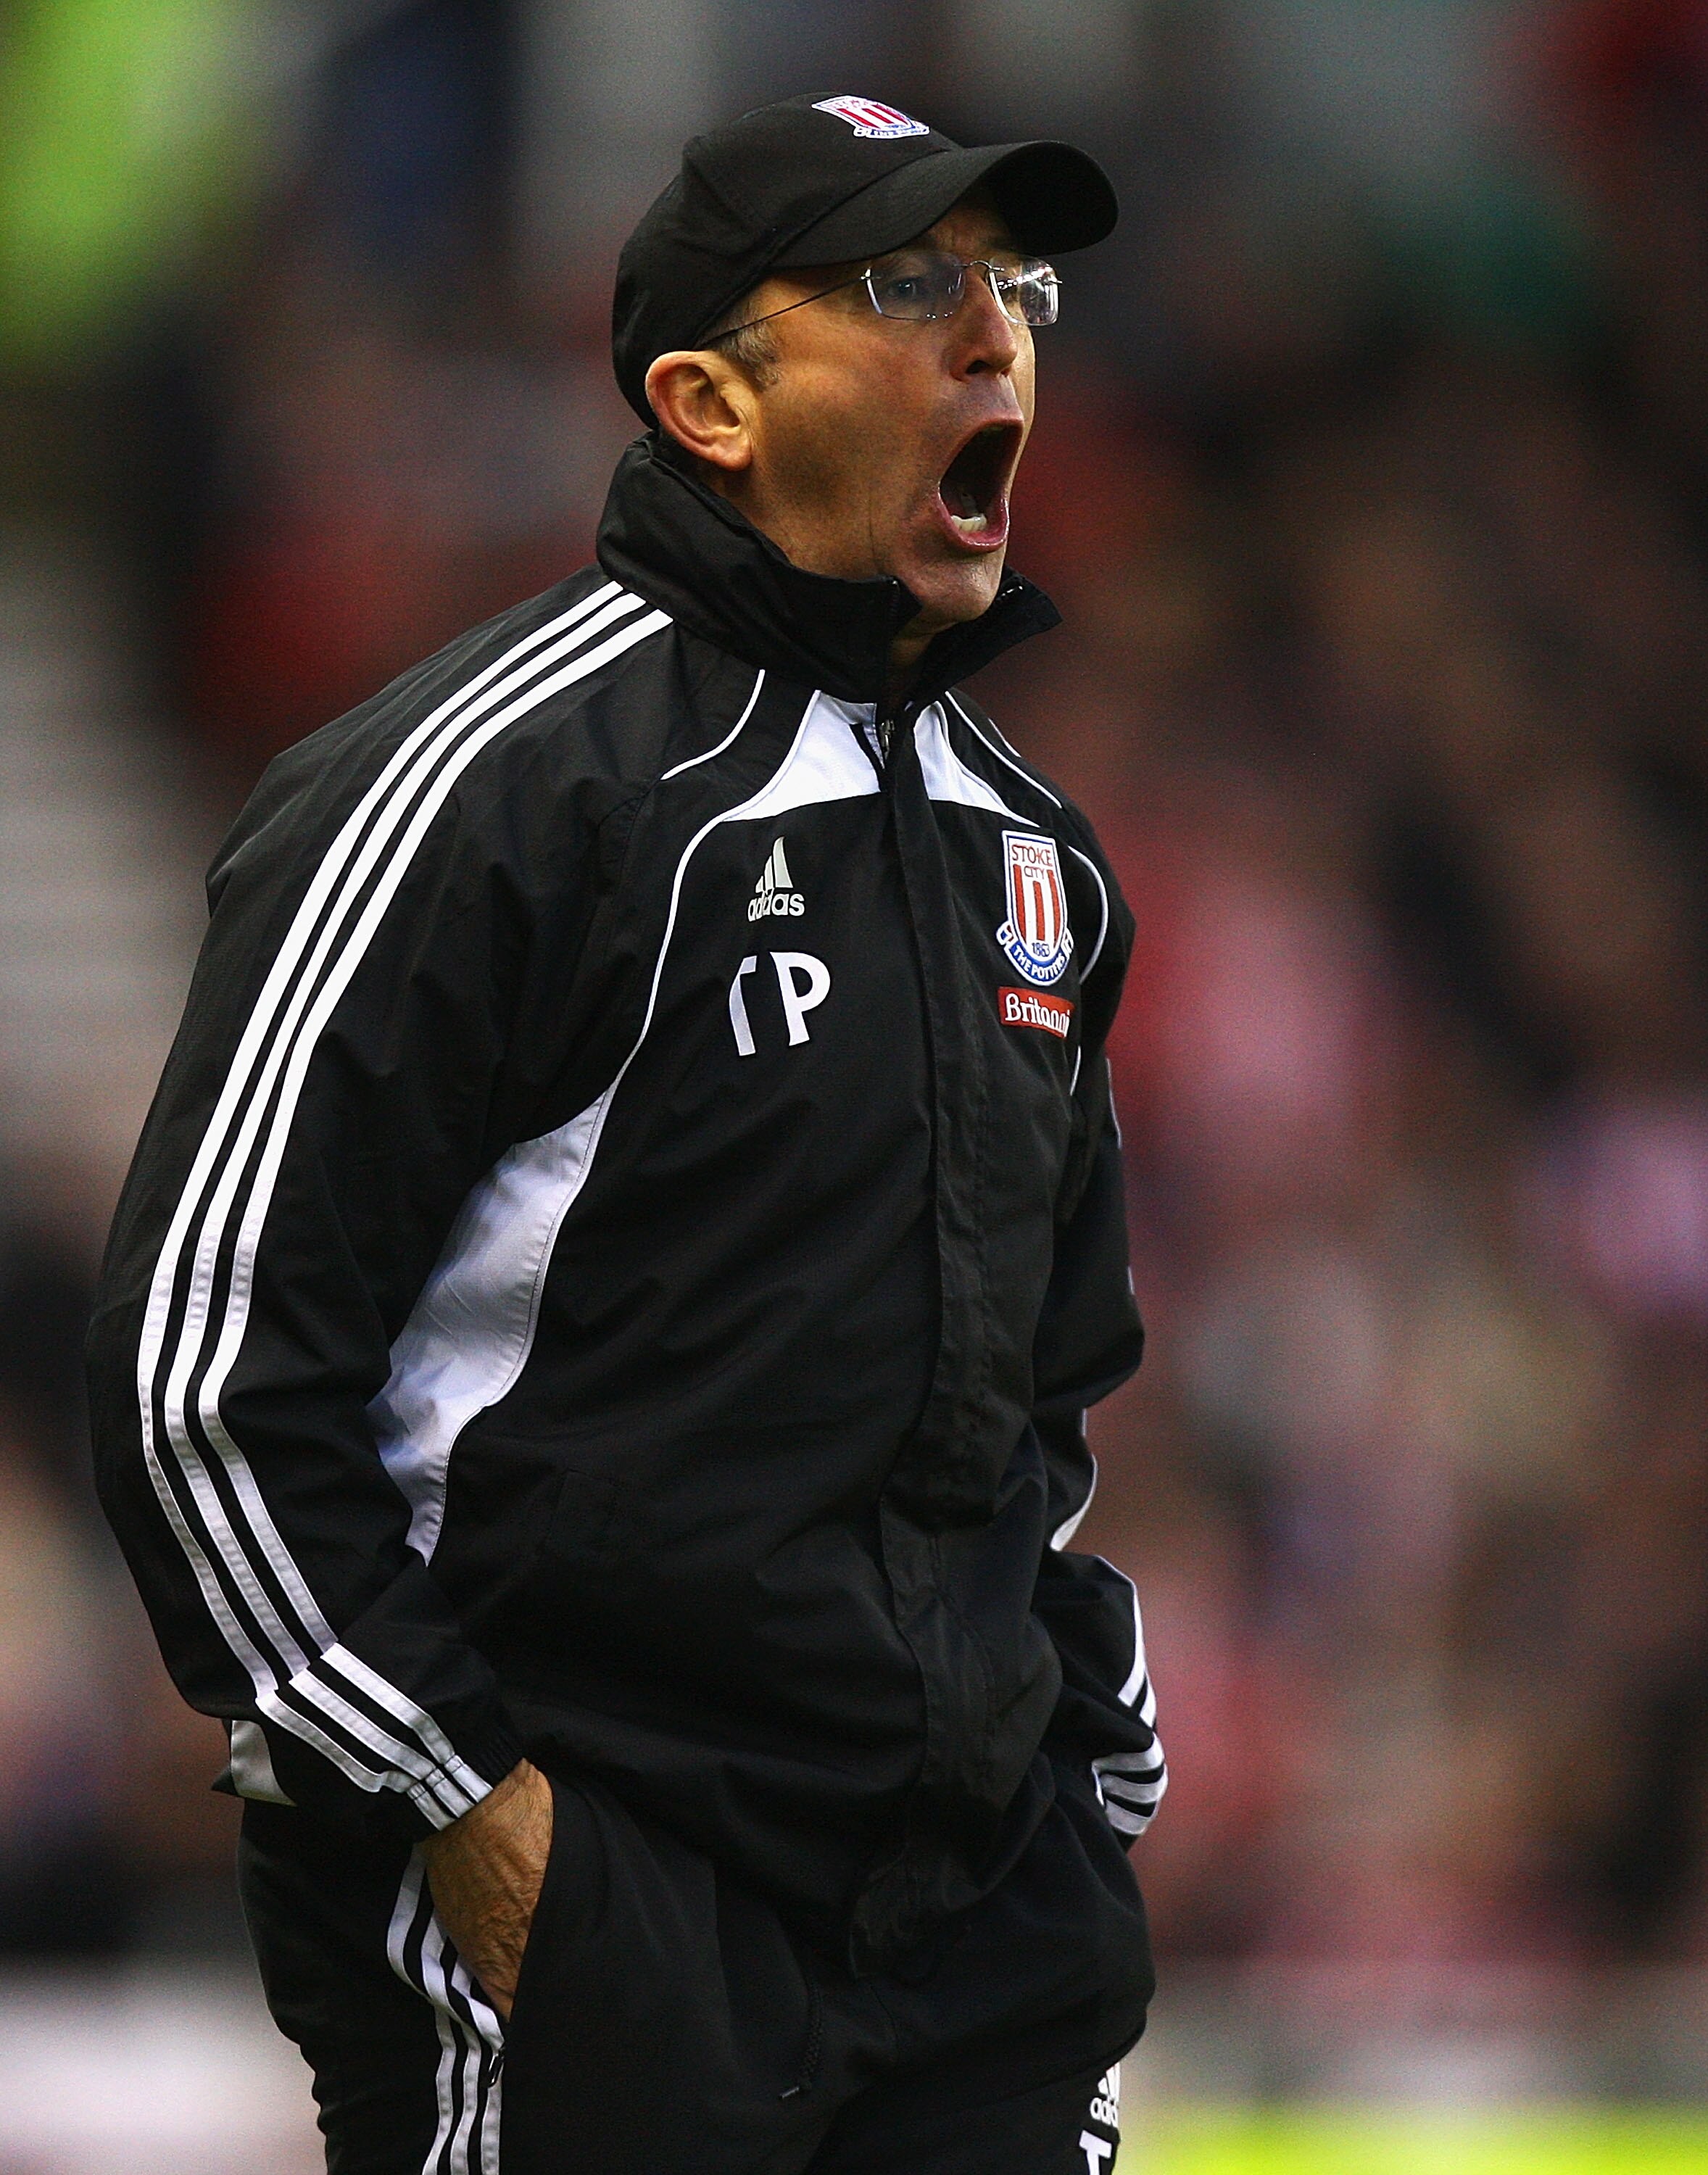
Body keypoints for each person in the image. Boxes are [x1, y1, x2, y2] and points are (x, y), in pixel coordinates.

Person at [87, 92, 1166, 2175]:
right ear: (705, 400)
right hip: (599, 1890)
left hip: (975, 1939)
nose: (994, 337)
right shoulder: (480, 791)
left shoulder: (1040, 857)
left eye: (1013, 287)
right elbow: (196, 1383)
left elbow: (1044, 1406)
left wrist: (1084, 1782)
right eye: (901, 284)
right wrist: (465, 1811)